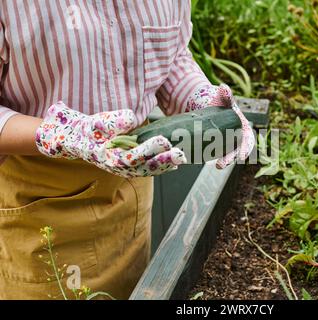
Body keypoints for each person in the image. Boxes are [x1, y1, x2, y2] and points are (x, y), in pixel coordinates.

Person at [0, 0, 251, 299]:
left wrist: (199, 98)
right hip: (39, 205)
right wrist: (64, 135)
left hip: (132, 184)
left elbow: (171, 57)